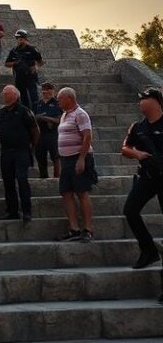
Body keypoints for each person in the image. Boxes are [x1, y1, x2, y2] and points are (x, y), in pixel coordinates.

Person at [122, 87, 163, 269]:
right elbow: (125, 148)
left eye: (143, 99)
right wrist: (136, 154)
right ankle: (149, 251)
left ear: (155, 101)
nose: (140, 103)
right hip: (147, 176)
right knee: (130, 210)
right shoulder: (138, 127)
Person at [0, 85, 39, 222]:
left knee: (22, 179)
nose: (4, 96)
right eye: (3, 93)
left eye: (7, 93)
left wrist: (32, 146)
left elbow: (35, 130)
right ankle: (12, 211)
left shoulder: (24, 111)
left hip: (21, 151)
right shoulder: (1, 113)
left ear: (15, 96)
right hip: (6, 152)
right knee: (8, 181)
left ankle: (27, 211)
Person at [54, 87, 95, 243]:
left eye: (60, 99)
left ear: (69, 98)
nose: (58, 102)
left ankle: (88, 229)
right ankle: (74, 228)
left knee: (82, 192)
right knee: (66, 192)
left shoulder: (80, 114)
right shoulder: (65, 115)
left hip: (78, 158)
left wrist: (82, 158)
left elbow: (87, 136)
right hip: (66, 160)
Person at [4, 29, 44, 110]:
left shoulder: (32, 49)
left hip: (30, 77)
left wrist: (35, 67)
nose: (19, 41)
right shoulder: (14, 51)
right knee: (22, 98)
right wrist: (15, 63)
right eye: (18, 39)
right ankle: (26, 114)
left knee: (34, 97)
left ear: (25, 39)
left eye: (21, 39)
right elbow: (6, 64)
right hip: (19, 77)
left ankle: (36, 114)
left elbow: (41, 61)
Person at [33, 82, 63, 179]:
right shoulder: (37, 104)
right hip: (40, 133)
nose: (46, 91)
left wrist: (45, 118)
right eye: (44, 89)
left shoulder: (57, 104)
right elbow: (33, 118)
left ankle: (57, 177)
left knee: (55, 156)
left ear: (53, 91)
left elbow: (59, 119)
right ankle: (43, 177)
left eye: (48, 89)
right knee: (40, 156)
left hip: (52, 133)